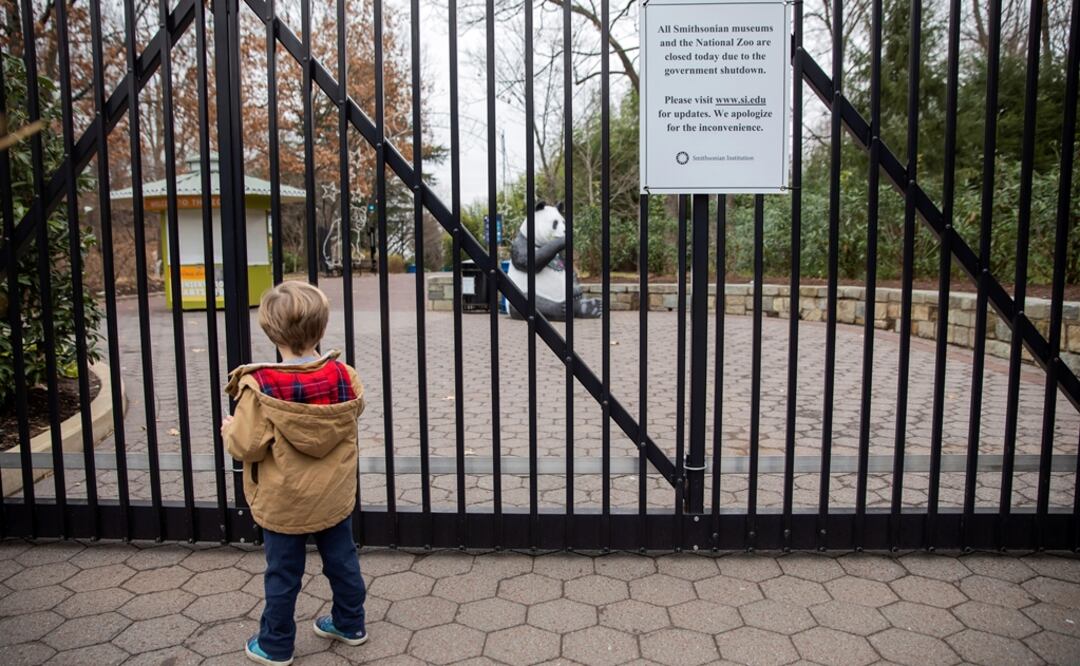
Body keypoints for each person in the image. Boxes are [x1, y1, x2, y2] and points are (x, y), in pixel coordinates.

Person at [222, 281, 367, 666]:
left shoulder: (260, 388)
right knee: (342, 559)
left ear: (270, 330)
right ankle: (350, 623)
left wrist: (228, 430)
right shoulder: (343, 376)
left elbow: (246, 445)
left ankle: (275, 644)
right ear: (321, 328)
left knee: (283, 573)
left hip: (284, 500)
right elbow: (353, 412)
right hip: (333, 494)